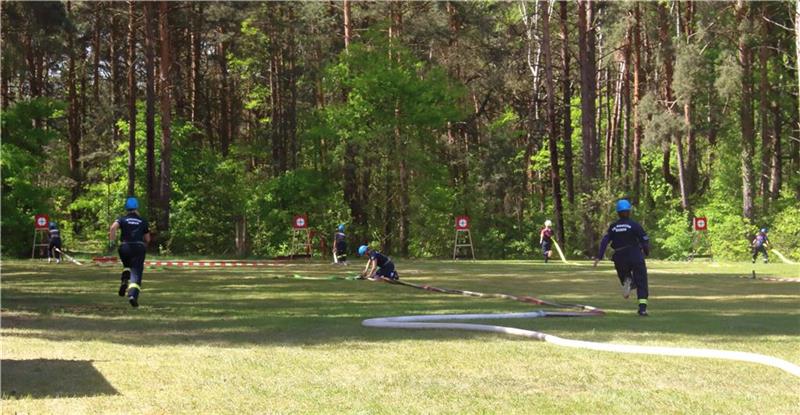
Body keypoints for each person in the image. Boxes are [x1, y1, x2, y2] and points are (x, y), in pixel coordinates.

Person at [593, 199, 651, 316]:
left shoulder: (613, 227)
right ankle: (642, 308)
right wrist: (646, 252)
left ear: (618, 213)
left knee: (625, 277)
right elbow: (644, 241)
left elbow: (605, 241)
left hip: (619, 256)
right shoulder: (634, 225)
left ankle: (628, 281)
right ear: (629, 211)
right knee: (642, 281)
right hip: (635, 254)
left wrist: (599, 256)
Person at [108, 197, 151, 308]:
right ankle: (132, 295)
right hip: (138, 247)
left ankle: (124, 281)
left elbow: (113, 228)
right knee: (136, 271)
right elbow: (147, 239)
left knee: (127, 266)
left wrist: (112, 242)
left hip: (125, 247)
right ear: (137, 207)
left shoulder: (122, 219)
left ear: (126, 208)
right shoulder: (142, 221)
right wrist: (144, 245)